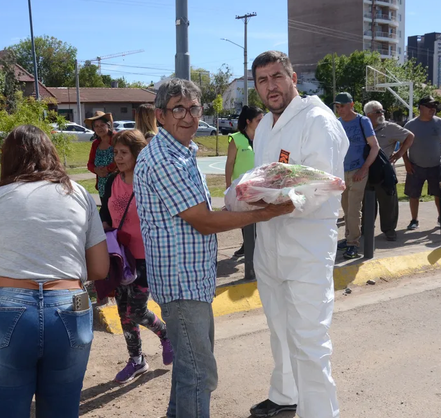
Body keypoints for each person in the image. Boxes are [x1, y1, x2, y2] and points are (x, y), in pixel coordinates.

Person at [134, 78, 294, 418]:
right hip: (182, 283)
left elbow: (202, 214)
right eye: (178, 109)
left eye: (194, 108)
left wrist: (250, 202)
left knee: (189, 368)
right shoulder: (165, 159)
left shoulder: (182, 152)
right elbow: (203, 221)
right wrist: (264, 214)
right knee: (199, 374)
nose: (188, 116)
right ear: (160, 115)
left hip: (191, 280)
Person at [0, 125, 109, 418]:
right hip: (70, 304)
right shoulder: (79, 194)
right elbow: (100, 268)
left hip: (5, 307)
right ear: (51, 153)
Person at [247, 51, 349, 418]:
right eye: (263, 80)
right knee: (279, 328)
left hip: (306, 246)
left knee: (309, 339)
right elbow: (263, 178)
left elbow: (322, 185)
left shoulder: (317, 121)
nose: (271, 86)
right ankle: (285, 394)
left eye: (277, 77)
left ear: (293, 78)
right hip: (269, 243)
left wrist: (276, 201)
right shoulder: (264, 126)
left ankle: (319, 412)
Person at [99, 130, 174, 384]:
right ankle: (137, 360)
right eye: (116, 153)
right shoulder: (112, 181)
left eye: (124, 152)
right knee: (123, 311)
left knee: (136, 310)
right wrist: (104, 229)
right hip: (121, 257)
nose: (118, 158)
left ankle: (165, 333)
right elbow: (106, 212)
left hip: (145, 257)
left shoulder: (148, 180)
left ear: (137, 154)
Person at [334, 92, 379, 259]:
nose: (339, 110)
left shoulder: (363, 121)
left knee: (354, 209)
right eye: (337, 106)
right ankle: (348, 237)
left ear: (351, 105)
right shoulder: (337, 123)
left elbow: (375, 147)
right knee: (346, 209)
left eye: (342, 106)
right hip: (341, 172)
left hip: (358, 171)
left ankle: (353, 243)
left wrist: (364, 168)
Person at [364, 100, 414, 241]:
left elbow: (410, 136)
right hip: (365, 171)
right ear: (368, 115)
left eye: (382, 111)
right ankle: (366, 229)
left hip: (384, 172)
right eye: (378, 112)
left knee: (388, 203)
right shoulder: (362, 126)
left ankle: (389, 230)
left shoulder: (390, 127)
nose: (381, 114)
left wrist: (399, 153)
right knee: (366, 203)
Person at [402, 96, 441, 231]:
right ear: (421, 108)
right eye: (429, 106)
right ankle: (414, 220)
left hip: (436, 166)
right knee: (414, 195)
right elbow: (403, 146)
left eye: (434, 107)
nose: (433, 109)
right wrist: (406, 163)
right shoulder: (410, 125)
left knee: (439, 194)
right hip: (415, 166)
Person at [224, 105, 264, 258]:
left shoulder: (262, 138)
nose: (261, 123)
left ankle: (254, 245)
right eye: (258, 120)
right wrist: (228, 185)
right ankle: (247, 244)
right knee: (244, 216)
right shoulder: (236, 139)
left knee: (259, 216)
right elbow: (230, 163)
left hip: (259, 185)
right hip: (241, 186)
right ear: (248, 121)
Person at [85, 111, 117, 197]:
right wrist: (96, 170)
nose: (99, 128)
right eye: (96, 126)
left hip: (117, 184)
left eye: (102, 125)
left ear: (108, 125)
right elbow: (90, 164)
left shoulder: (117, 139)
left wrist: (107, 169)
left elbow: (122, 159)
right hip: (102, 187)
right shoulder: (95, 144)